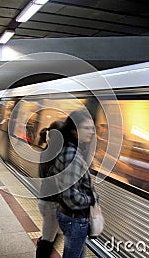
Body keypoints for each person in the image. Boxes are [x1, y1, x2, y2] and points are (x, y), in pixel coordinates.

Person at [52, 110, 98, 258]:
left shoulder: (68, 149)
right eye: (86, 128)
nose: (91, 132)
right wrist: (91, 199)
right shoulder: (72, 155)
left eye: (92, 128)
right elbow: (71, 197)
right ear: (74, 129)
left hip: (68, 216)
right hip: (75, 219)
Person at [36, 121, 64, 258]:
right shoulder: (57, 154)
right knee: (48, 239)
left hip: (46, 200)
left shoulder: (47, 150)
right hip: (51, 203)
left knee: (53, 235)